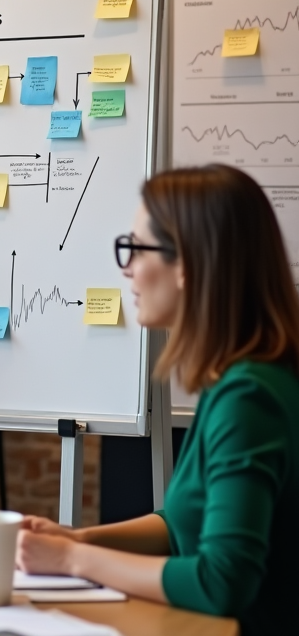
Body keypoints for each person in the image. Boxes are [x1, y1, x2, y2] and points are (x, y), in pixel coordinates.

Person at [17, 164, 299, 635]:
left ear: (186, 264)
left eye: (136, 247)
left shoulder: (248, 397)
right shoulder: (241, 378)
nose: (126, 267)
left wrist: (72, 559)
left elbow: (221, 581)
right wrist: (79, 537)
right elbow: (181, 521)